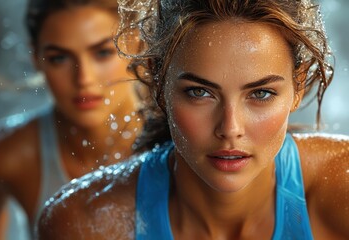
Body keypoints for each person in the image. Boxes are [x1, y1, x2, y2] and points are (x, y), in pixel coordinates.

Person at [38, 0, 349, 239]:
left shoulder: (341, 190)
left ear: (299, 85)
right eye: (200, 92)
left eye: (261, 94)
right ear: (159, 84)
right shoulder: (86, 224)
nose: (230, 129)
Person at [0, 0, 143, 238]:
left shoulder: (182, 144)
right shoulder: (10, 155)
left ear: (136, 46)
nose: (83, 78)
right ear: (37, 59)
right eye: (59, 58)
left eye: (102, 53)